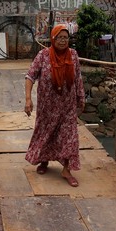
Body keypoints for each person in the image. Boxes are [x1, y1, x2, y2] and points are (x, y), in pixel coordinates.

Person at [24, 24, 85, 187]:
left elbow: (78, 78)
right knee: (46, 134)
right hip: (47, 107)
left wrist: (81, 97)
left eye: (66, 38)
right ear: (53, 38)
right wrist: (28, 99)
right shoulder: (43, 55)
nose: (63, 41)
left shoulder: (73, 55)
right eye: (60, 37)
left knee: (70, 137)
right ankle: (43, 161)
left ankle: (67, 169)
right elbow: (30, 76)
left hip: (67, 106)